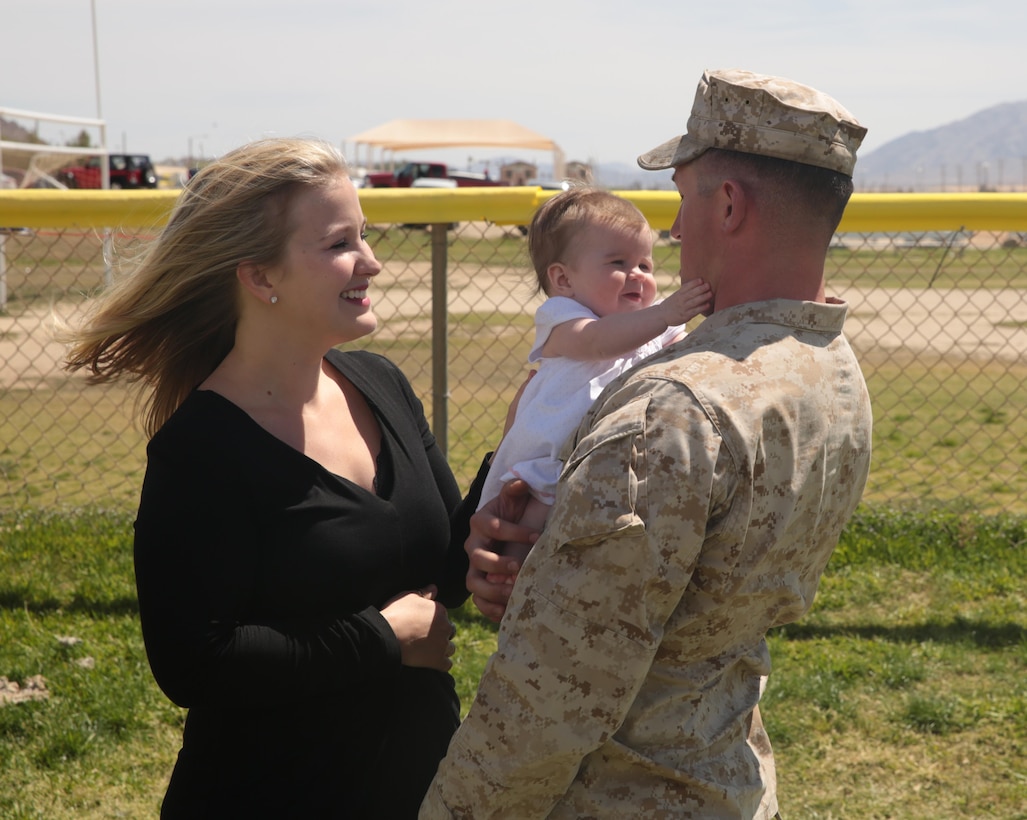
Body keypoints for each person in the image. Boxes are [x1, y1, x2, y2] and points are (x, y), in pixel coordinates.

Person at [421, 68, 874, 819]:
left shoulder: (674, 408)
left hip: (618, 792)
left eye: (680, 200)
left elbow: (555, 688)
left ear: (726, 204)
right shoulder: (828, 368)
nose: (670, 230)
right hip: (723, 770)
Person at [63, 138, 489, 818]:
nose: (371, 262)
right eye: (338, 244)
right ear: (261, 278)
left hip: (418, 786)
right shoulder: (202, 447)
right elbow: (194, 662)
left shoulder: (381, 383)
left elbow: (441, 571)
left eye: (365, 236)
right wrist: (382, 639)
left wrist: (523, 459)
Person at [479, 187, 710, 578]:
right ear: (563, 279)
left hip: (613, 465)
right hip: (547, 464)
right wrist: (667, 314)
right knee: (526, 535)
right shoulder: (563, 319)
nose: (637, 275)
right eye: (618, 262)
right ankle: (509, 591)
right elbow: (598, 341)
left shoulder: (655, 323)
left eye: (646, 265)